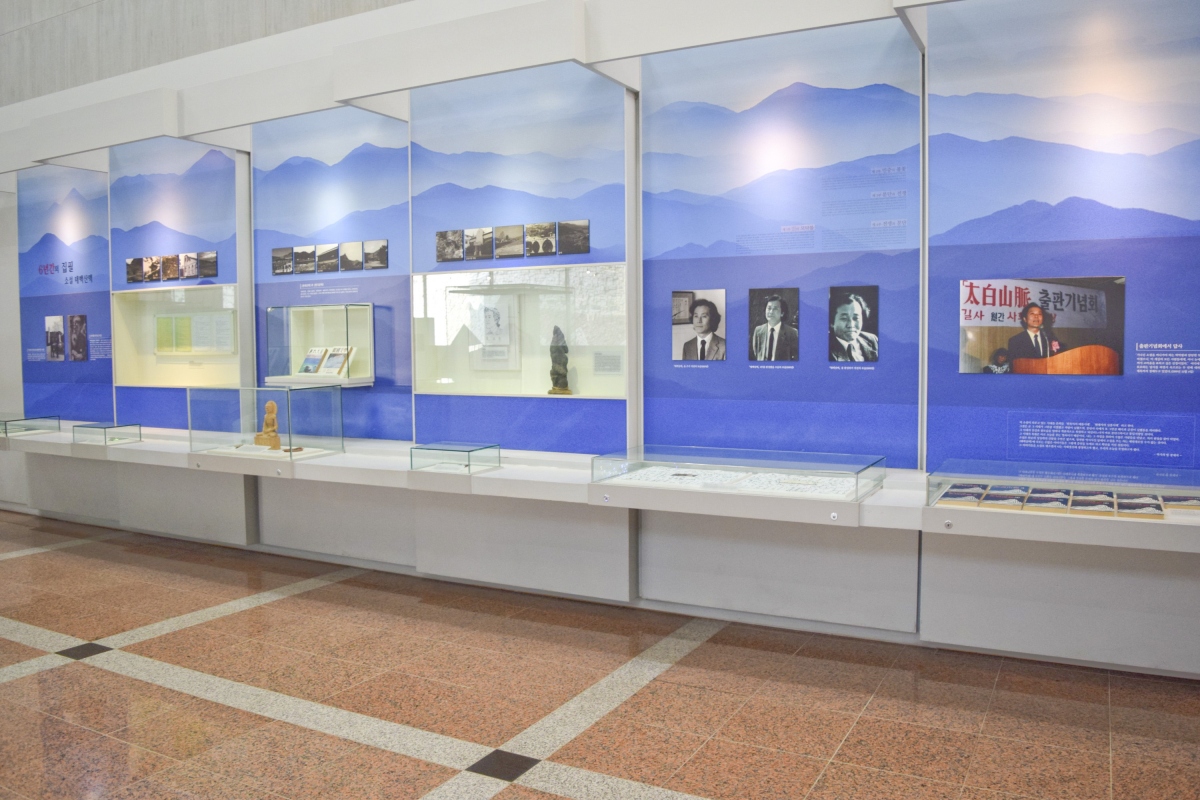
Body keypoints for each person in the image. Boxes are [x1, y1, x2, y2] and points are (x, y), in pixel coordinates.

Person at [828, 291, 878, 362]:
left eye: (856, 318)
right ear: (831, 322)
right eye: (844, 318)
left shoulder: (872, 340)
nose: (851, 325)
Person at [751, 295, 798, 361]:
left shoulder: (792, 333)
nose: (771, 312)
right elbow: (757, 353)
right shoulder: (758, 331)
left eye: (775, 309)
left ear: (782, 313)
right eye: (769, 308)